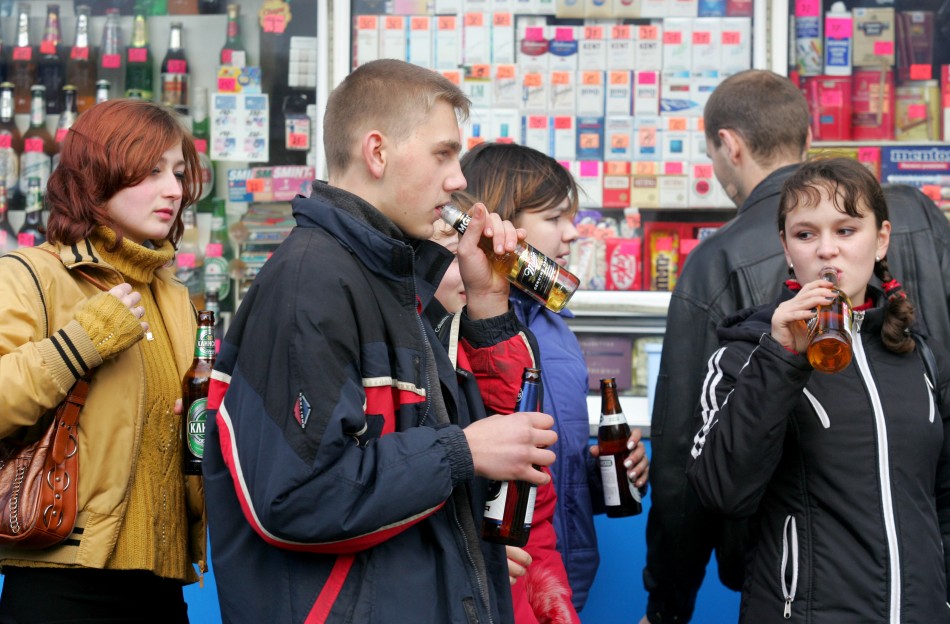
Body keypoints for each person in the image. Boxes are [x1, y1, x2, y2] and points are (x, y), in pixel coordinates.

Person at [202, 58, 558, 623]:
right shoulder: (312, 281)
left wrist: (488, 304)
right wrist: (460, 452)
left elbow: (495, 447)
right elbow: (295, 496)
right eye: (443, 153)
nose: (458, 179)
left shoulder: (391, 278)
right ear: (377, 152)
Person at [642, 69, 950, 624]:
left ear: (881, 240)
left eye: (847, 230)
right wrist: (781, 356)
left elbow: (940, 498)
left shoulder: (913, 352)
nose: (828, 251)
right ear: (786, 248)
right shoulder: (744, 354)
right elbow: (719, 492)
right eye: (807, 234)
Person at [0, 99, 205, 621]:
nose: (173, 190)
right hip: (63, 581)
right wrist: (75, 346)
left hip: (163, 580)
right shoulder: (31, 275)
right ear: (97, 173)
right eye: (152, 170)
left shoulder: (174, 297)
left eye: (179, 173)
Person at [458, 142, 650, 613]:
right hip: (497, 576)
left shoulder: (555, 326)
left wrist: (607, 474)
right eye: (554, 218)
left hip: (564, 572)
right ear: (504, 221)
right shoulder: (462, 322)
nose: (571, 233)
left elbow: (548, 466)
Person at [430, 218, 579, 624]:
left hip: (528, 578)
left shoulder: (509, 332)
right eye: (452, 253)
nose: (570, 232)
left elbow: (534, 495)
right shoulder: (418, 348)